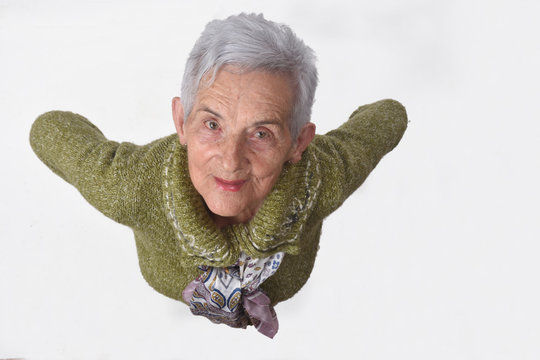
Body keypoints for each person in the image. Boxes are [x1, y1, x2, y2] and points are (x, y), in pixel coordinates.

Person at [29, 13, 408, 338]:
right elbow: (48, 129)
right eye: (212, 124)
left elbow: (387, 116)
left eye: (261, 134)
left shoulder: (324, 175)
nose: (230, 161)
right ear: (181, 121)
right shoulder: (128, 185)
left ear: (298, 144)